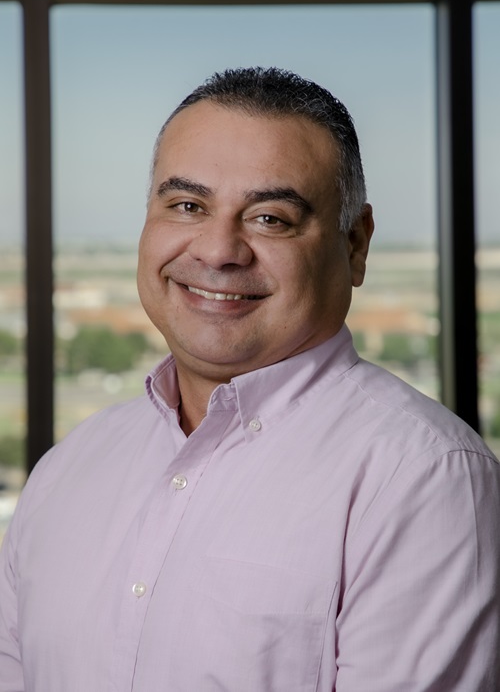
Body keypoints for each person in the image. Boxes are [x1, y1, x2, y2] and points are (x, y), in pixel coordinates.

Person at [0, 67, 499, 692]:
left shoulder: (424, 479)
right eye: (187, 206)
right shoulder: (66, 472)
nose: (217, 250)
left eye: (270, 218)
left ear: (356, 245)